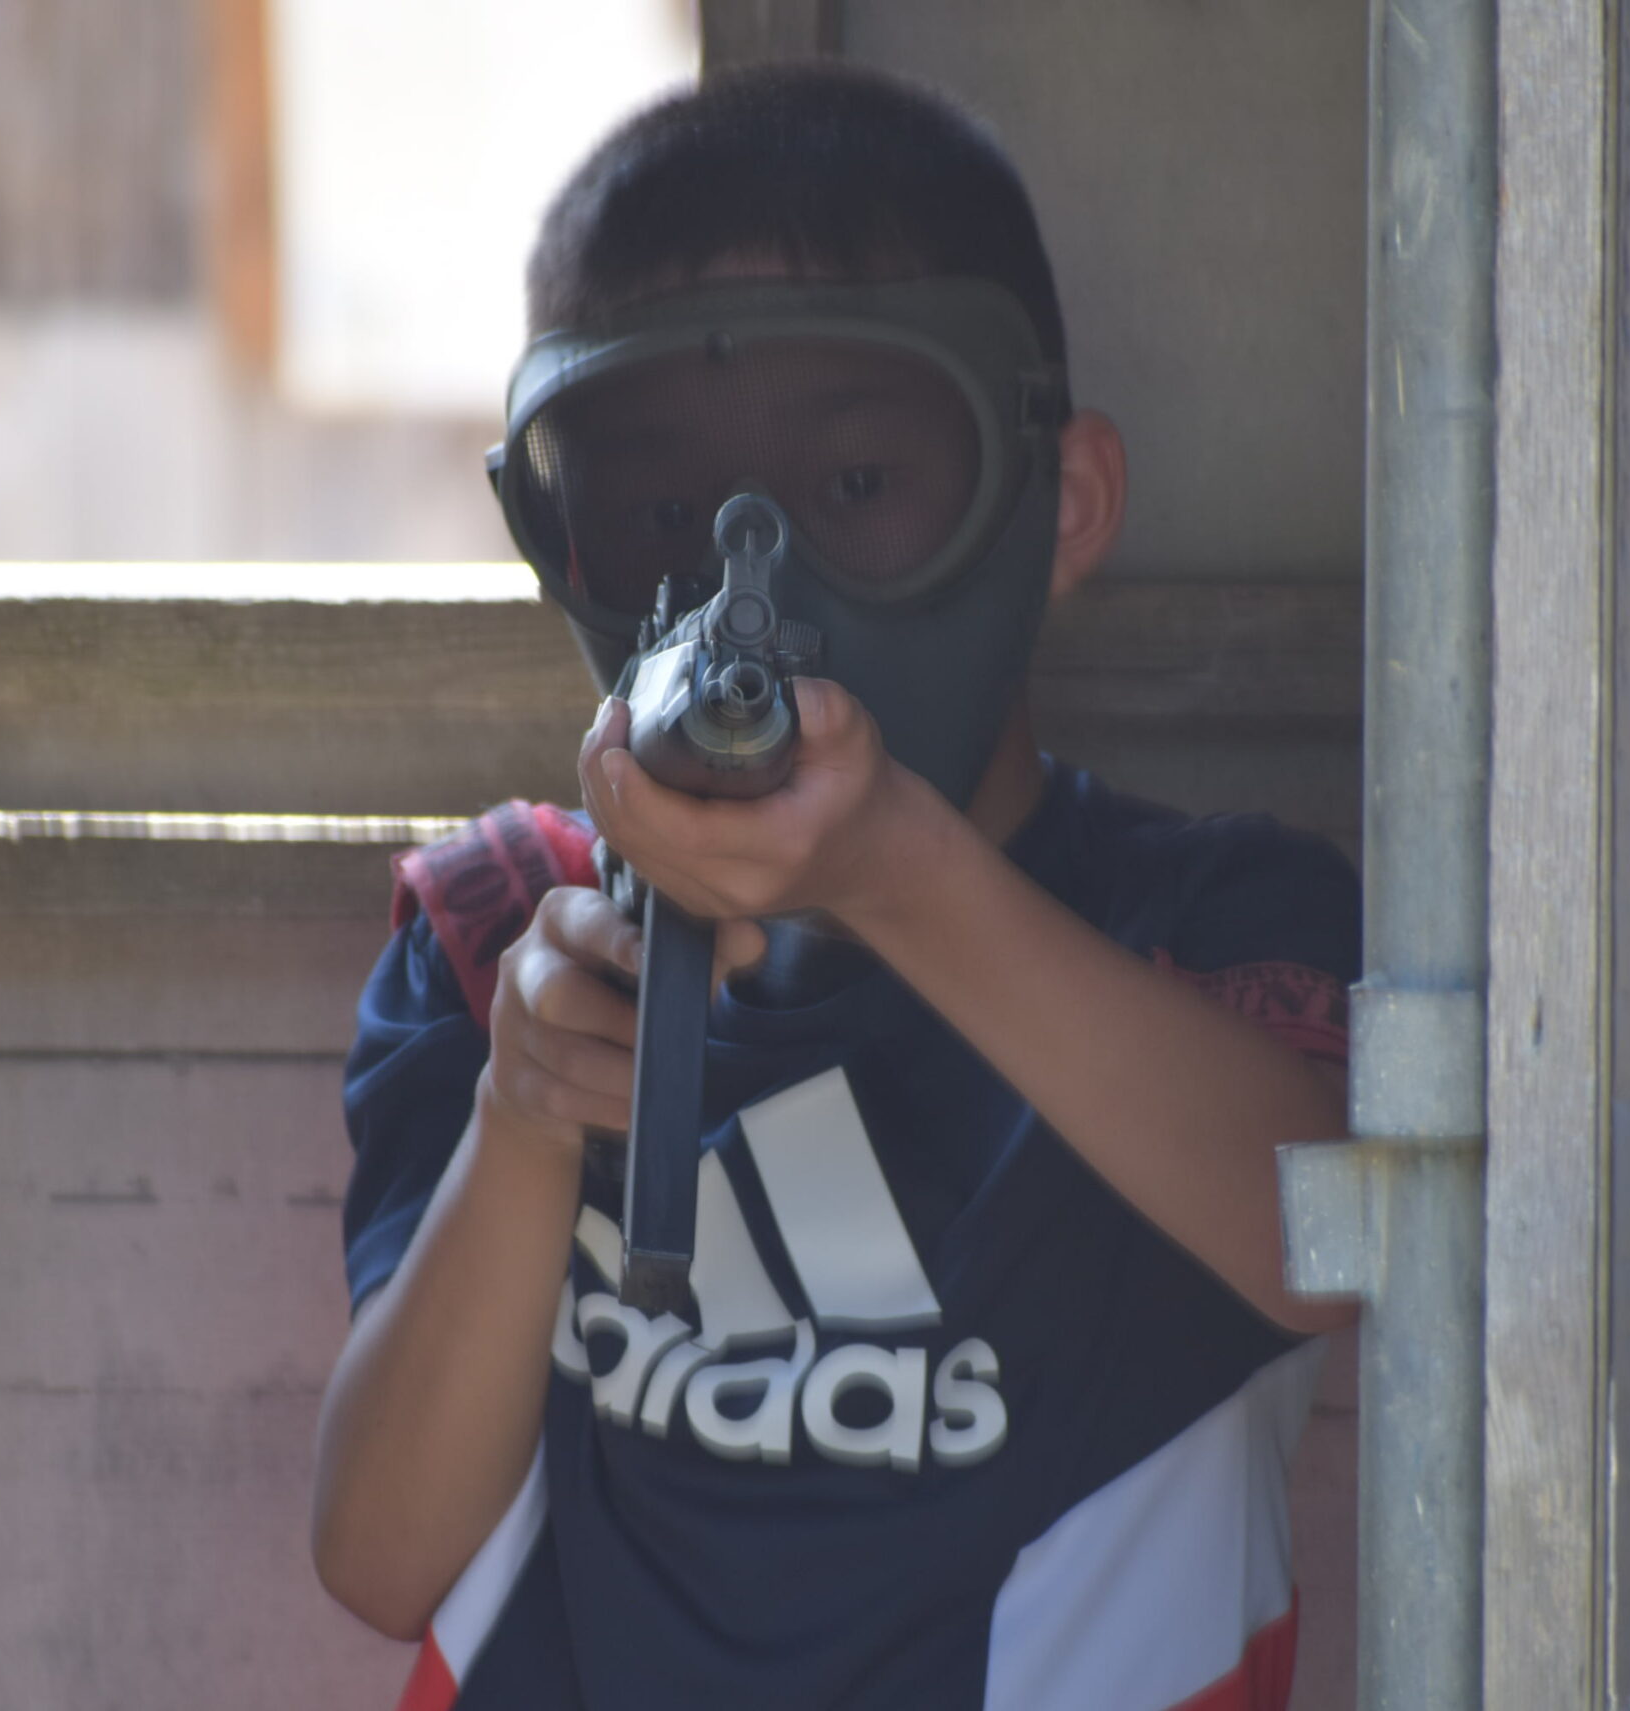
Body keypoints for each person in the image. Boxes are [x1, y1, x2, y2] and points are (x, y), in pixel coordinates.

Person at [312, 61, 1359, 1711]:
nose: (755, 573)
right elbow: (381, 1556)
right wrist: (524, 1114)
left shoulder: (1208, 933)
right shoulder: (501, 935)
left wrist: (898, 873)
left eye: (858, 488)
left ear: (1062, 502)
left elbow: (1340, 1243)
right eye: (660, 507)